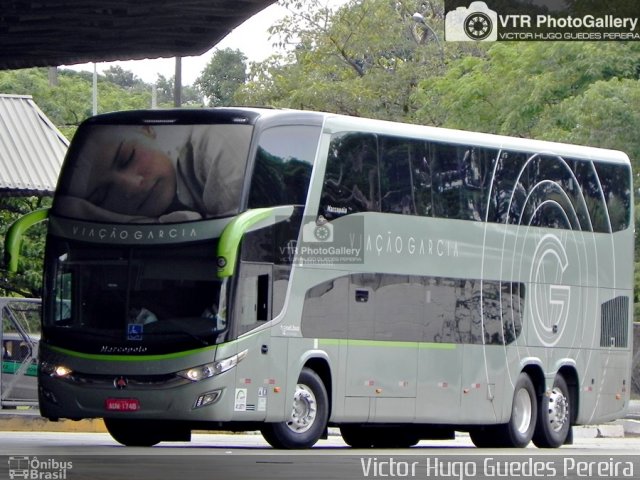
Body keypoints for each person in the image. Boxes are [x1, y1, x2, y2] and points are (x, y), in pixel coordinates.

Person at [55, 124, 251, 223]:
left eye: (127, 158)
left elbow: (245, 255)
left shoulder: (215, 144)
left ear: (148, 130)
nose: (132, 186)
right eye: (104, 194)